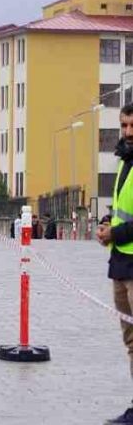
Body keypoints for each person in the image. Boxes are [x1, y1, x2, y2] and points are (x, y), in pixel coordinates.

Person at [96, 103, 133, 424]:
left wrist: (114, 233)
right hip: (121, 262)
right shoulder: (124, 162)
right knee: (131, 340)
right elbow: (123, 207)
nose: (128, 132)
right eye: (123, 126)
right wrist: (107, 221)